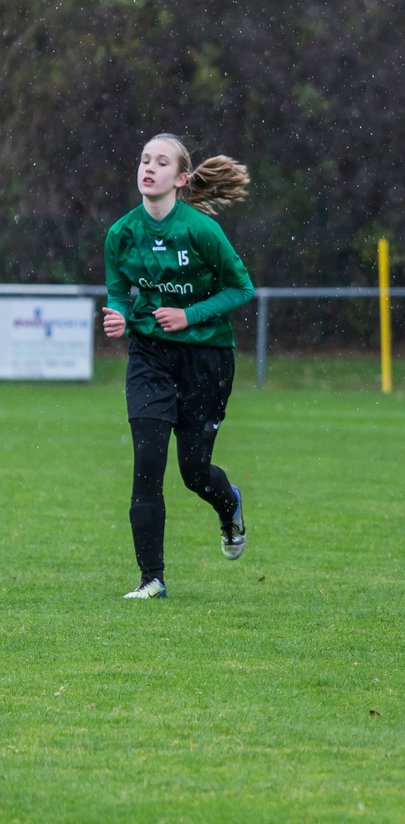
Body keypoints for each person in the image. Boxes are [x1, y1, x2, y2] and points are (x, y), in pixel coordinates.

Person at [102, 133, 254, 599]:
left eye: (161, 162)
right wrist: (119, 315)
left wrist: (190, 314)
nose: (149, 167)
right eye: (144, 159)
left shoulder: (202, 231)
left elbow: (242, 289)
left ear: (181, 178)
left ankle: (230, 506)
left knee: (193, 472)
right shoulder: (121, 234)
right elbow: (118, 290)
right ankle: (152, 579)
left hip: (206, 358)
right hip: (149, 355)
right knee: (147, 461)